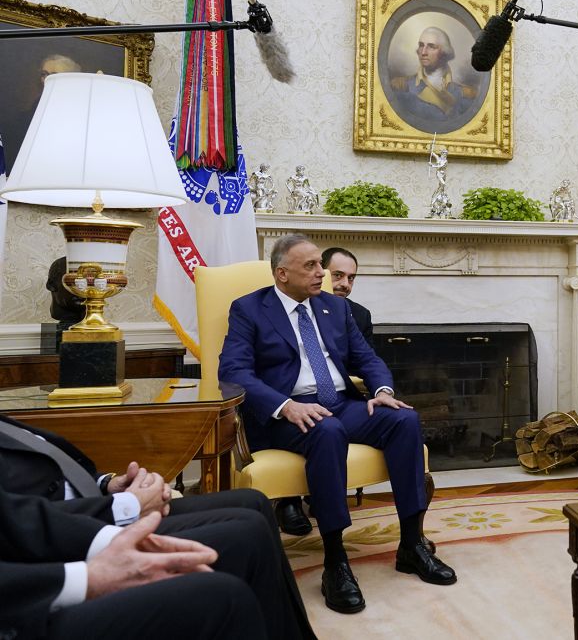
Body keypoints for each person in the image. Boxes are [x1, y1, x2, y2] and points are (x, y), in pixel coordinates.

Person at [219, 233, 456, 615]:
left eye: (320, 264)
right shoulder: (250, 309)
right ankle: (335, 561)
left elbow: (368, 358)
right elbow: (232, 372)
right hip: (288, 413)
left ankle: (411, 545)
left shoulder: (335, 308)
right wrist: (285, 405)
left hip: (341, 402)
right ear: (282, 274)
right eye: (311, 266)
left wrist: (380, 389)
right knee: (325, 431)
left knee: (404, 419)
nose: (322, 274)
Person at [0, 413, 315, 639]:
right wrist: (125, 510)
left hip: (77, 511)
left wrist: (108, 485)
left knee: (252, 502)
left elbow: (36, 475)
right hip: (41, 561)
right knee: (244, 539)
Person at [390, 26, 476, 123]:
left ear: (444, 52)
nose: (423, 52)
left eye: (431, 46)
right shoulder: (400, 86)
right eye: (421, 45)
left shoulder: (466, 94)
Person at [322, 246, 374, 345]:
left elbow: (366, 357)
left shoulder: (361, 315)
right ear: (321, 273)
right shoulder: (302, 309)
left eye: (350, 278)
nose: (345, 284)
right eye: (338, 275)